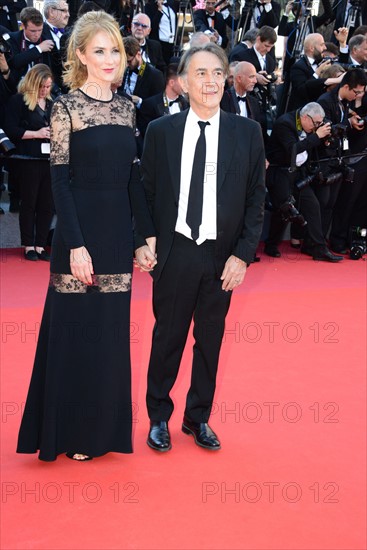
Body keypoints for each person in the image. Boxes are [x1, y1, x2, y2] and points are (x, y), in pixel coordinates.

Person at [16, 11, 154, 461]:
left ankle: (104, 434)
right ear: (80, 55)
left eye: (115, 49)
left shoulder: (127, 107)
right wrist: (74, 243)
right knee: (76, 332)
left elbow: (134, 178)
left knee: (110, 333)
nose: (110, 57)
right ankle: (69, 433)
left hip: (116, 234)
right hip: (77, 235)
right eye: (99, 50)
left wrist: (143, 236)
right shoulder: (66, 107)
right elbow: (59, 182)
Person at [135, 43, 266, 452]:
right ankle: (159, 416)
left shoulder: (247, 132)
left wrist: (243, 254)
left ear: (226, 79)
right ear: (183, 81)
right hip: (175, 253)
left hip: (222, 256)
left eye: (216, 73)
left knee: (210, 341)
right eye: (200, 73)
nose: (209, 82)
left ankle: (198, 418)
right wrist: (142, 240)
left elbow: (255, 198)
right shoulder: (161, 131)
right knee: (168, 337)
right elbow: (146, 191)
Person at [4, 64, 54, 261]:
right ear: (33, 83)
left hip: (49, 160)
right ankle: (28, 245)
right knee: (29, 203)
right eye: (42, 86)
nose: (45, 90)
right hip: (27, 160)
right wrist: (36, 134)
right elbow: (10, 129)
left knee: (47, 204)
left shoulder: (52, 103)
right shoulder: (18, 101)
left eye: (48, 86)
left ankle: (41, 245)